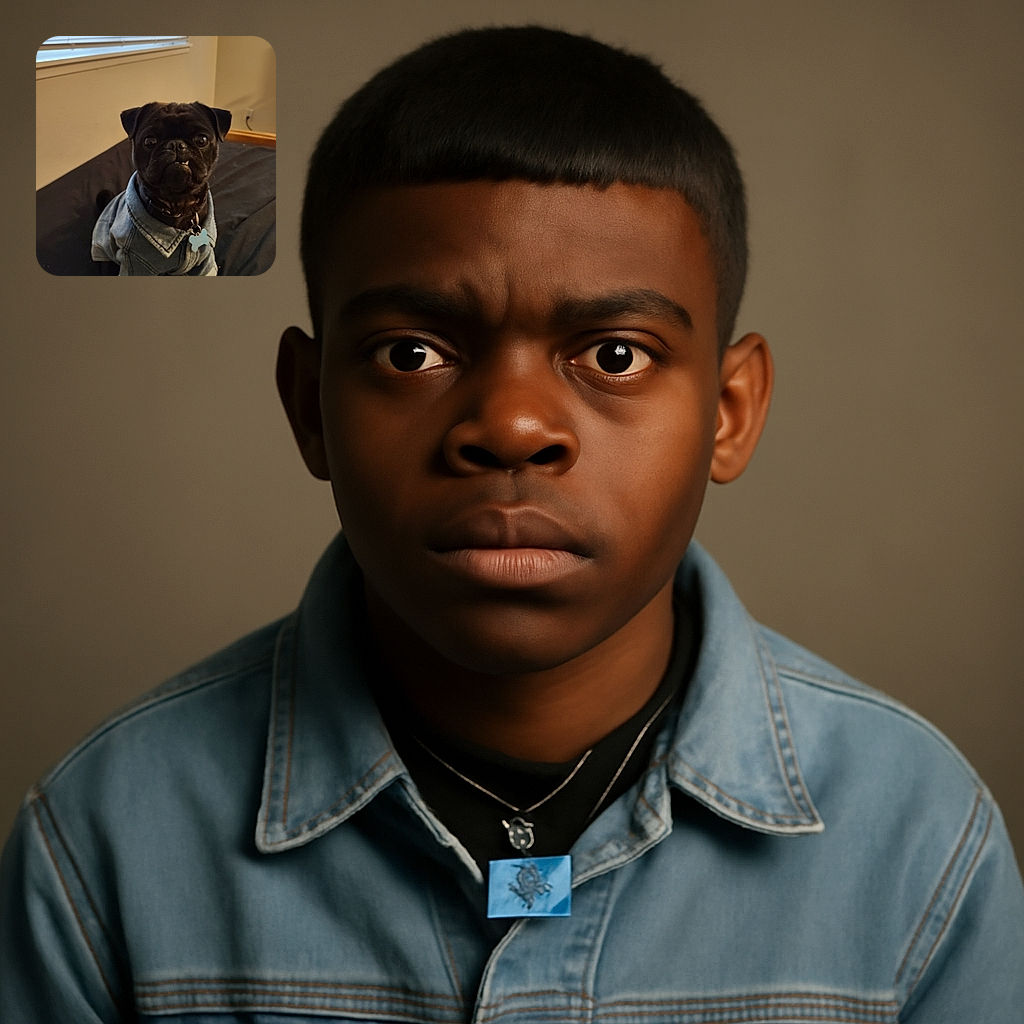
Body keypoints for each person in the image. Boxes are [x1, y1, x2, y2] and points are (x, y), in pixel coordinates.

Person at [2, 24, 1022, 1021]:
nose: (511, 428)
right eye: (412, 353)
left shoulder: (917, 838)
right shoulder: (105, 843)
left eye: (614, 355)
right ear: (309, 406)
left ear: (729, 409)